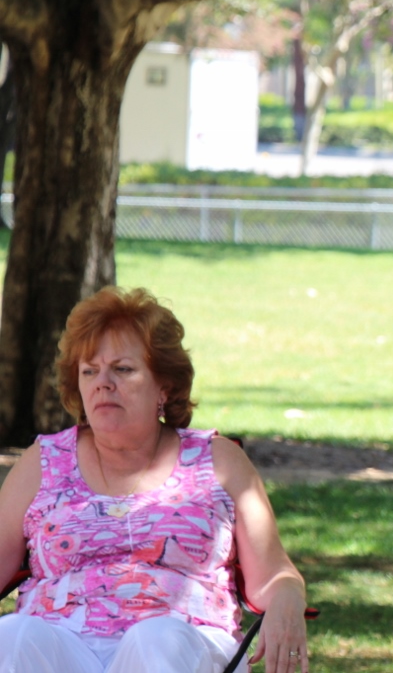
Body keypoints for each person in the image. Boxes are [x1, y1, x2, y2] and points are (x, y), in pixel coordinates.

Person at [0, 288, 309, 673]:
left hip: (183, 643)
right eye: (89, 371)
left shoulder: (219, 461)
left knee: (154, 639)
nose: (103, 383)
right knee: (11, 635)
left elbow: (276, 574)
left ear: (164, 385)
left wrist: (287, 600)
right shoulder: (43, 462)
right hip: (60, 646)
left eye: (123, 369)